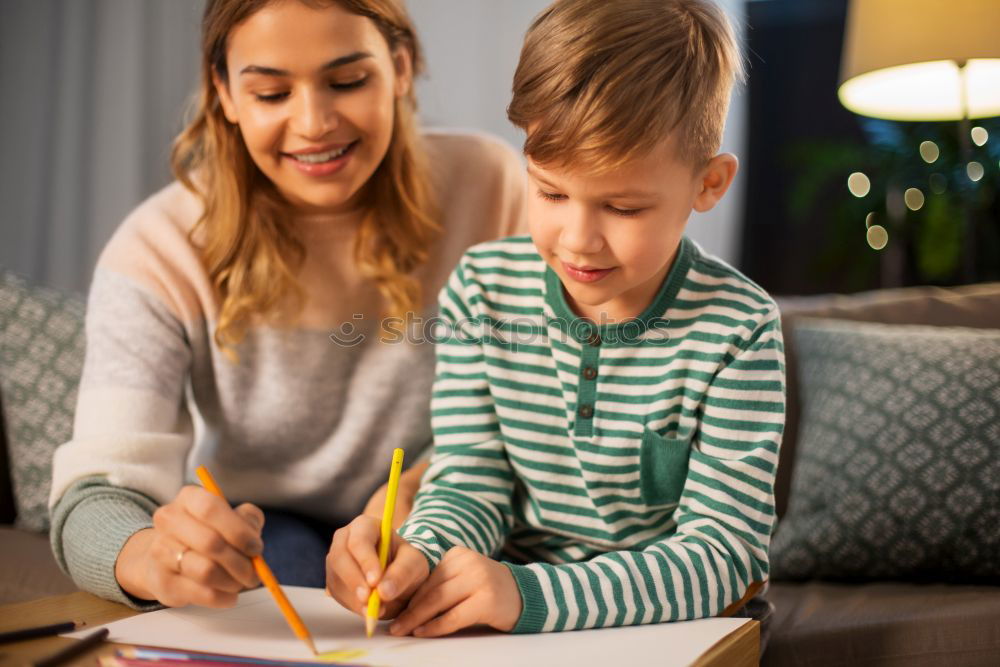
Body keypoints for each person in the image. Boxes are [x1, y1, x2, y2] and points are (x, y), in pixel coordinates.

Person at [326, 0, 785, 642]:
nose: (578, 240)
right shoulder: (483, 290)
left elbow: (724, 558)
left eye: (622, 207)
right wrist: (420, 556)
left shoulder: (740, 328)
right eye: (550, 192)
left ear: (708, 184)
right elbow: (470, 478)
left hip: (672, 624)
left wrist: (529, 594)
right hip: (514, 613)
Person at [48, 0, 525, 610]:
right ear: (223, 92)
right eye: (272, 94)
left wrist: (422, 489)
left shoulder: (491, 187)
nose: (314, 123)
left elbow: (535, 401)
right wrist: (148, 555)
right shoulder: (156, 251)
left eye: (348, 81)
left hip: (456, 503)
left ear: (400, 68)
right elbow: (96, 493)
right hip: (271, 529)